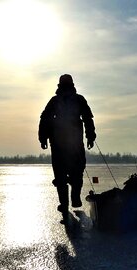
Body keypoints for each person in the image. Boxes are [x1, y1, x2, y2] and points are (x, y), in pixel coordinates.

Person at [38, 74, 96, 212]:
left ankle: (65, 203)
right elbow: (88, 118)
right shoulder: (77, 99)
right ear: (72, 85)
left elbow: (44, 119)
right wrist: (90, 136)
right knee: (76, 171)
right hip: (71, 143)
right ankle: (73, 199)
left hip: (60, 144)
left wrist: (43, 138)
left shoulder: (56, 100)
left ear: (59, 85)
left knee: (61, 175)